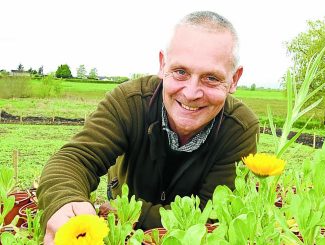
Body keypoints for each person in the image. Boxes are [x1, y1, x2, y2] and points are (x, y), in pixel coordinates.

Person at [37, 10, 259, 244]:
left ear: (234, 79)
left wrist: (131, 214)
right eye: (180, 72)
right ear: (163, 65)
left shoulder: (240, 128)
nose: (192, 93)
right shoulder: (128, 101)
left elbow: (212, 215)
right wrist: (63, 202)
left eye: (211, 78)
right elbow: (74, 160)